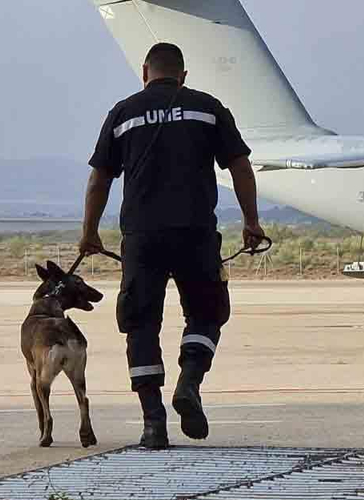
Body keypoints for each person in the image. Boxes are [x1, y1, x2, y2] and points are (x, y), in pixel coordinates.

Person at [79, 41, 266, 449]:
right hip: (195, 232)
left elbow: (100, 179)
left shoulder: (123, 112)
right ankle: (190, 382)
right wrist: (251, 222)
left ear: (145, 71)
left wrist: (90, 232)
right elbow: (240, 166)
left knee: (140, 324)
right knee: (206, 314)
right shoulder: (208, 108)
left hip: (142, 238)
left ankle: (153, 423)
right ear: (183, 75)